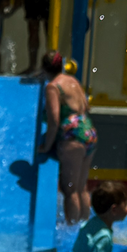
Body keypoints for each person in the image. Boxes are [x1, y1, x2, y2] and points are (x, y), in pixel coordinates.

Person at [35, 50, 97, 223]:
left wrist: (46, 146)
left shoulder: (53, 87)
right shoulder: (73, 81)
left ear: (44, 67)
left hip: (73, 135)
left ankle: (72, 229)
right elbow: (86, 106)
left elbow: (54, 119)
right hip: (88, 131)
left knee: (69, 189)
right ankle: (84, 225)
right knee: (81, 187)